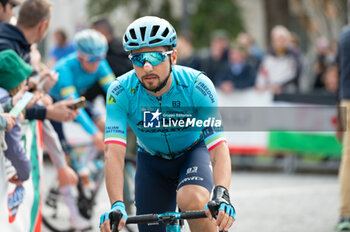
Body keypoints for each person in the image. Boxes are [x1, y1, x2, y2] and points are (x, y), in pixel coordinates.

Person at [99, 16, 235, 232]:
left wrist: (222, 193)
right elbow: (113, 152)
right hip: (151, 162)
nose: (147, 66)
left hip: (192, 153)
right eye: (137, 58)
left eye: (155, 56)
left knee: (191, 199)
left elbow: (218, 145)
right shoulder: (120, 91)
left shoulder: (197, 85)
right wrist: (116, 204)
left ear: (173, 57)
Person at [0, 0, 77, 122]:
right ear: (42, 26)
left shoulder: (20, 46)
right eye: (11, 7)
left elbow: (15, 99)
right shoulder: (8, 51)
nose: (12, 13)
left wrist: (39, 86)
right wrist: (48, 112)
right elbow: (9, 106)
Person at [49, 29, 115, 154]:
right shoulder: (64, 68)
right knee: (63, 155)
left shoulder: (100, 63)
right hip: (54, 104)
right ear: (80, 56)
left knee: (104, 124)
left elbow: (116, 91)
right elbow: (74, 104)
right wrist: (94, 133)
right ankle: (68, 165)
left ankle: (92, 164)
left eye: (100, 58)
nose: (96, 64)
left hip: (76, 100)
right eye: (91, 60)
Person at [255, 25, 302, 94]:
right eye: (275, 39)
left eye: (281, 39)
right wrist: (261, 85)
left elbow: (294, 75)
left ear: (286, 40)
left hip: (288, 93)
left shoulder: (294, 56)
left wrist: (280, 86)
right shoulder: (268, 56)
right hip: (269, 92)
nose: (278, 42)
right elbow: (263, 73)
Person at [335, 24, 350, 231]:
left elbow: (338, 75)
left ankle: (345, 212)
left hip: (346, 98)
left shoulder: (345, 34)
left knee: (348, 157)